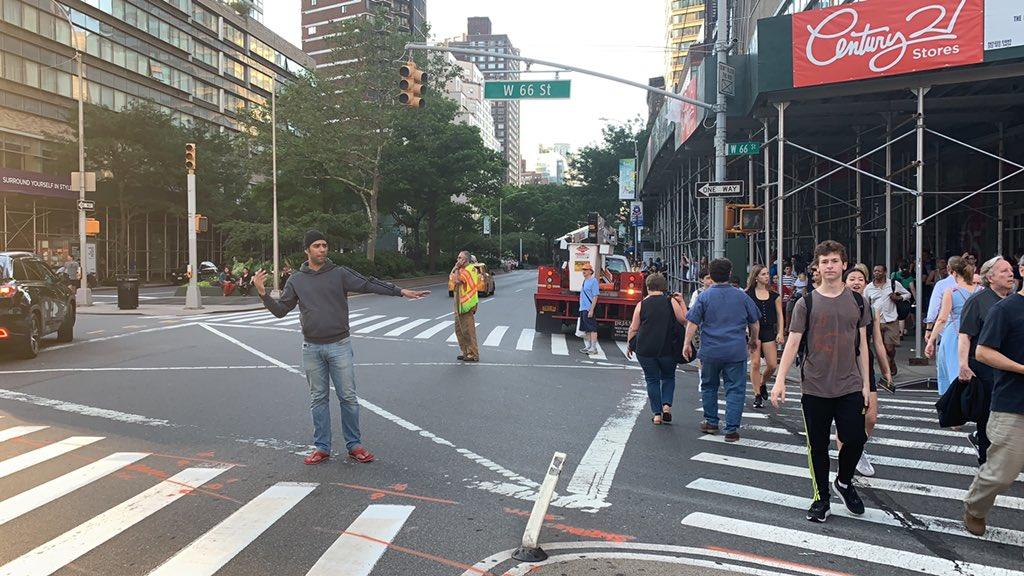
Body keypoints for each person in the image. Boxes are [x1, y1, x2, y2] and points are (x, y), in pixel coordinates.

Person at [254, 230, 429, 465]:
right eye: (317, 245)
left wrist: (400, 292)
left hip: (339, 345)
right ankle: (322, 447)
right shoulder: (296, 279)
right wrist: (263, 293)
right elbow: (280, 311)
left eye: (325, 245)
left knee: (348, 397)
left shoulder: (339, 274)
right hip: (312, 348)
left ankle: (354, 445)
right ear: (307, 250)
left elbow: (368, 284)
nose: (322, 249)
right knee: (318, 399)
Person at [772, 240, 871, 523]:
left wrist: (866, 384)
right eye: (824, 261)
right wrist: (780, 380)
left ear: (844, 264)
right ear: (817, 266)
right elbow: (792, 343)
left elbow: (863, 345)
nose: (829, 266)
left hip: (850, 384)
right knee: (817, 446)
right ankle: (821, 498)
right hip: (815, 386)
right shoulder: (806, 303)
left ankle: (844, 481)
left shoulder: (858, 301)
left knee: (855, 438)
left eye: (834, 261)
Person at [963, 255, 1024, 538]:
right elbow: (983, 352)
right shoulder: (1006, 309)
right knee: (1001, 474)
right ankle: (975, 507)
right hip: (1013, 404)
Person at [684, 258, 760, 442]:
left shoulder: (704, 296)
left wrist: (687, 343)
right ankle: (731, 429)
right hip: (735, 350)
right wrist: (752, 340)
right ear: (729, 273)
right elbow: (754, 322)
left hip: (710, 350)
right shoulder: (741, 296)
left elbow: (692, 322)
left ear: (711, 274)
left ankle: (711, 422)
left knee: (709, 386)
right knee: (735, 389)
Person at [959, 256, 1015, 464]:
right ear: (990, 277)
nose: (1010, 274)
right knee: (988, 416)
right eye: (1004, 271)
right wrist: (963, 365)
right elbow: (965, 335)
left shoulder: (1014, 300)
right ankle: (986, 459)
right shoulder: (978, 301)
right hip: (984, 368)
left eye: (1011, 270)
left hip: (1010, 368)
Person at [842, 264, 893, 477]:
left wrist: (887, 371)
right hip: (843, 365)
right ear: (845, 282)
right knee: (849, 418)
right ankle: (849, 459)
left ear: (866, 284)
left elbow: (878, 344)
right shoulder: (837, 306)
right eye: (852, 278)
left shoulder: (872, 309)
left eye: (860, 279)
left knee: (870, 417)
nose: (856, 282)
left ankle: (858, 448)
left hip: (865, 364)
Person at [626, 273, 687, 425]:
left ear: (647, 287)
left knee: (652, 380)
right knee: (668, 377)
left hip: (645, 349)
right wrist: (682, 303)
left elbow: (634, 328)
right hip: (668, 348)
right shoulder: (670, 301)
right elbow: (684, 320)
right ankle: (666, 406)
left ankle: (657, 414)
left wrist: (629, 344)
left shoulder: (642, 304)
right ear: (664, 287)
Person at [925, 257, 978, 395]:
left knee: (950, 372)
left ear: (951, 271)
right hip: (977, 333)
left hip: (954, 334)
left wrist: (931, 339)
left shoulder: (951, 291)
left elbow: (942, 318)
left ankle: (952, 405)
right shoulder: (981, 288)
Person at [745, 265, 784, 409]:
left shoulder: (774, 295)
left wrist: (780, 332)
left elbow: (780, 315)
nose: (766, 276)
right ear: (756, 277)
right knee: (755, 363)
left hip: (768, 330)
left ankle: (762, 383)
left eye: (767, 274)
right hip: (754, 331)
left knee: (772, 365)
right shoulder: (747, 294)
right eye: (763, 274)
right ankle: (757, 395)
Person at [864, 264, 910, 378]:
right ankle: (886, 369)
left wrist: (899, 298)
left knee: (889, 348)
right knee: (880, 348)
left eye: (879, 271)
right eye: (875, 271)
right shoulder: (869, 287)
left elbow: (907, 294)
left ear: (885, 272)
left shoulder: (893, 284)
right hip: (876, 321)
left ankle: (892, 361)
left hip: (891, 320)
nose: (876, 273)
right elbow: (865, 304)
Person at [451, 251, 481, 362]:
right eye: (458, 257)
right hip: (460, 304)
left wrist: (457, 269)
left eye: (460, 258)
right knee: (459, 330)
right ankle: (465, 352)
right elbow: (452, 278)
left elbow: (458, 281)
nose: (458, 260)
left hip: (467, 304)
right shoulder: (461, 269)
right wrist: (456, 268)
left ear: (466, 260)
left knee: (468, 330)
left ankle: (473, 353)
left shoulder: (470, 269)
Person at [578, 262, 600, 355]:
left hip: (588, 308)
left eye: (586, 270)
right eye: (583, 270)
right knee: (586, 328)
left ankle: (594, 348)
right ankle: (588, 346)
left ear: (591, 271)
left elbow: (595, 296)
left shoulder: (593, 281)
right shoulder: (585, 281)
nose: (584, 271)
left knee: (592, 328)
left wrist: (591, 310)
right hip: (583, 308)